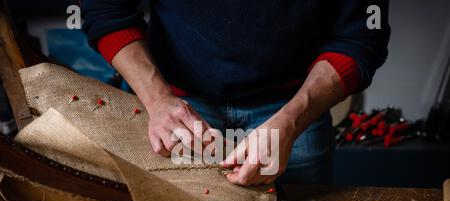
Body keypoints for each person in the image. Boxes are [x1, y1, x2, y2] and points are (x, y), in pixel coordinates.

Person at [81, 0, 390, 186]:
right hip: (178, 110)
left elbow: (360, 36)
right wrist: (157, 100)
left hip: (293, 110)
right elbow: (105, 8)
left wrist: (291, 121)